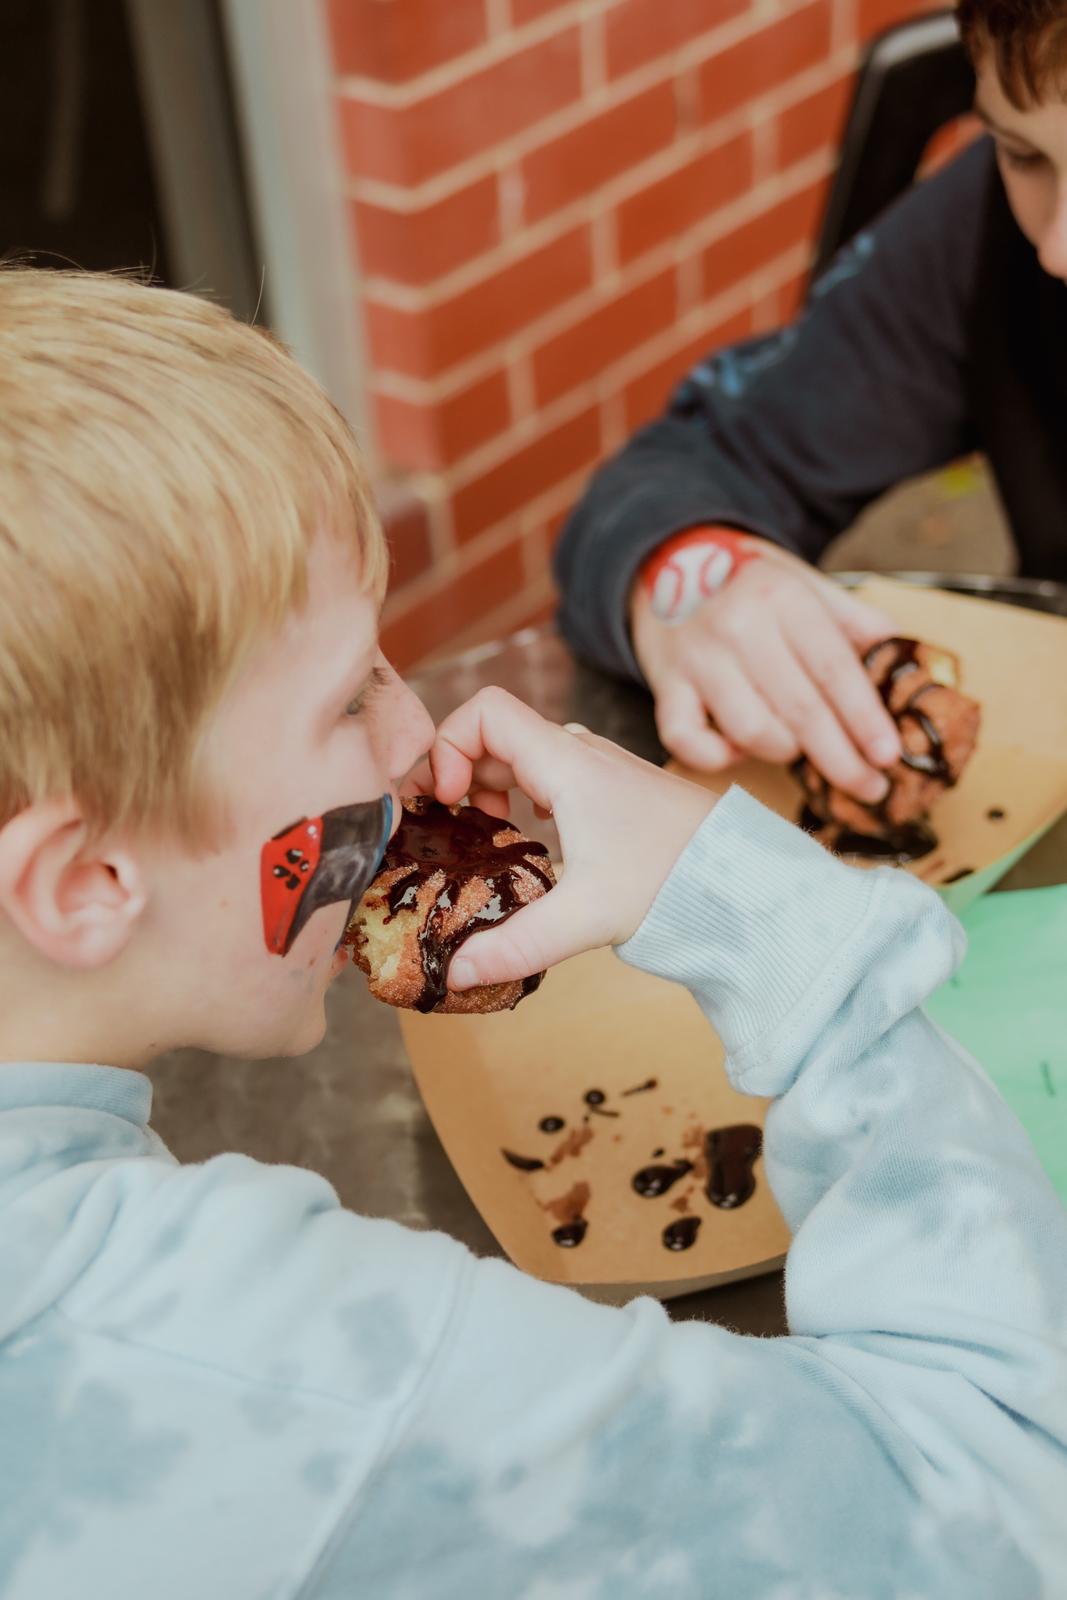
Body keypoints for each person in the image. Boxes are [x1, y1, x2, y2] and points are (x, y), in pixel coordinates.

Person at [0, 267, 1064, 1600]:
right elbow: (996, 1497)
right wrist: (765, 918)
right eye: (346, 703)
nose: (413, 738)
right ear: (87, 880)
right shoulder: (299, 1364)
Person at [555, 0, 1067, 806]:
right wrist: (696, 575)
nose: (1055, 247)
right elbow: (702, 461)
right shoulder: (983, 240)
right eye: (1021, 153)